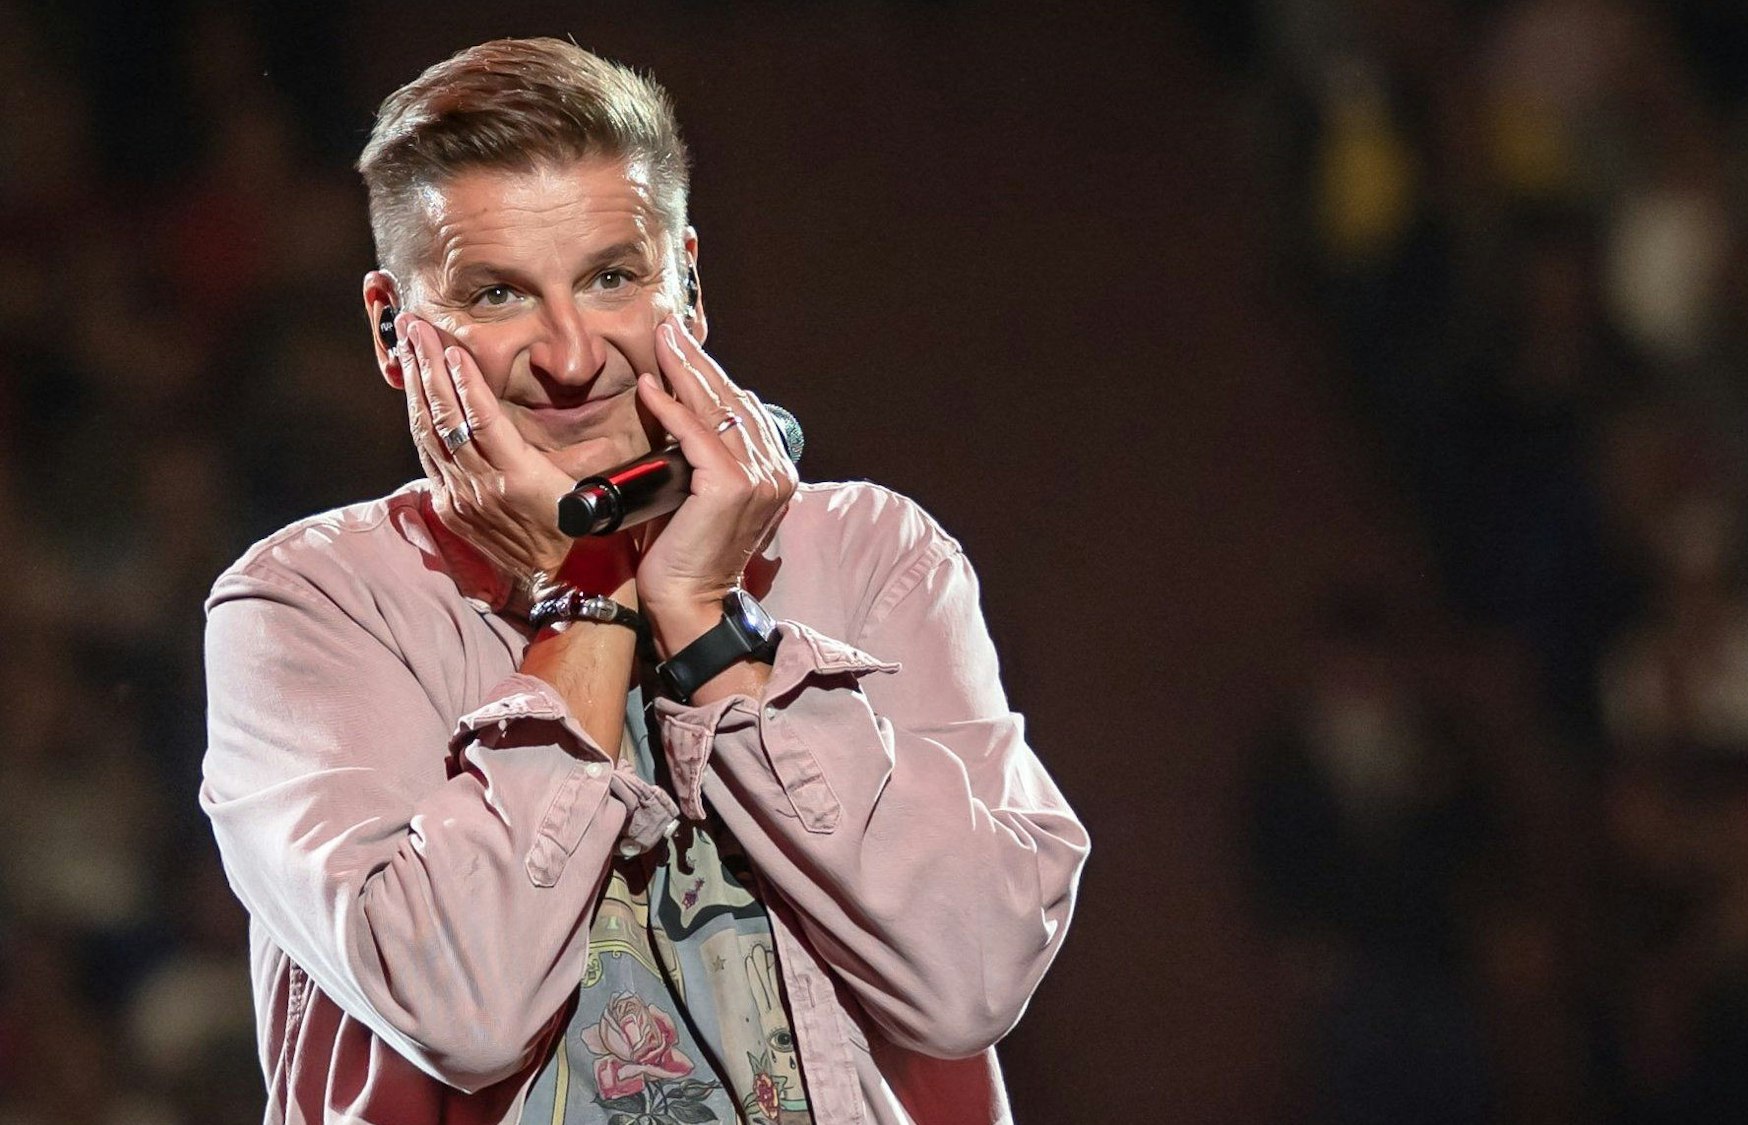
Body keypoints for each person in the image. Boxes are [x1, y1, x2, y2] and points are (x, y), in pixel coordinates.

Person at [199, 38, 1088, 1125]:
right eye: (496, 294)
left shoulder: (873, 554)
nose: (571, 356)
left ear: (691, 284)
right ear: (395, 328)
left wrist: (709, 627)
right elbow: (462, 1013)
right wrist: (585, 590)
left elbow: (966, 989)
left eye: (612, 277)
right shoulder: (308, 607)